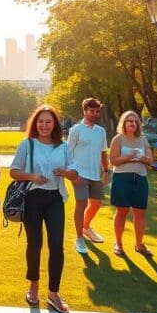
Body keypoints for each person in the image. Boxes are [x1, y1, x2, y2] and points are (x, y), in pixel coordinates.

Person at [9, 104, 78, 313]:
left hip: (55, 198)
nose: (45, 125)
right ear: (35, 124)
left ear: (55, 124)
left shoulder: (63, 147)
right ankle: (33, 284)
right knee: (34, 244)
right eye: (41, 121)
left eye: (49, 121)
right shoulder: (27, 144)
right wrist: (33, 177)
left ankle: (53, 293)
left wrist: (66, 172)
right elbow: (14, 171)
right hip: (32, 198)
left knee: (57, 245)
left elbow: (75, 173)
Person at [109, 111, 154, 258]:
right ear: (123, 123)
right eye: (129, 121)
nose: (133, 124)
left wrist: (143, 158)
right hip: (122, 179)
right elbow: (113, 161)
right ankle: (118, 244)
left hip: (140, 178)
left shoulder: (142, 139)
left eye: (135, 122)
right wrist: (128, 157)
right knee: (122, 211)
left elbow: (150, 159)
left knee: (140, 213)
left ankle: (139, 245)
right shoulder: (118, 139)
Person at [67, 98, 109, 254]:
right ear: (85, 111)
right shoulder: (76, 130)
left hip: (95, 174)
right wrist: (73, 175)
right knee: (81, 204)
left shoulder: (101, 131)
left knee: (96, 204)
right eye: (92, 111)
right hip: (80, 174)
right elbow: (68, 154)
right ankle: (79, 238)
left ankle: (85, 227)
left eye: (97, 111)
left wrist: (106, 172)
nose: (95, 114)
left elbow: (103, 153)